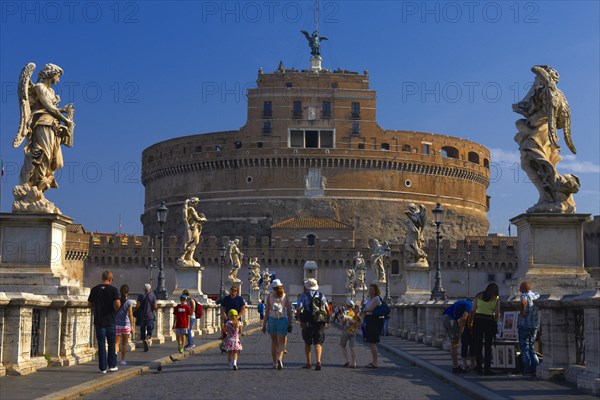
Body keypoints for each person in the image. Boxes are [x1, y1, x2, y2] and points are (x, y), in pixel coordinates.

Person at [88, 270, 120, 373]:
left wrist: (97, 307)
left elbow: (90, 304)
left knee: (101, 345)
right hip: (110, 321)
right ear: (110, 279)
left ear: (102, 278)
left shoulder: (95, 289)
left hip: (99, 321)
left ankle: (103, 368)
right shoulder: (114, 290)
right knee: (111, 344)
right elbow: (118, 304)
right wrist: (114, 311)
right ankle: (112, 365)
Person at [296, 278, 329, 370]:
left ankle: (309, 363)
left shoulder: (304, 295)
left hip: (308, 322)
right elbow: (327, 308)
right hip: (320, 321)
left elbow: (299, 308)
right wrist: (327, 321)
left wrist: (300, 320)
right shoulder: (322, 295)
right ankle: (318, 361)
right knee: (318, 342)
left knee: (307, 342)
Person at [470, 283, 500, 375]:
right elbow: (497, 313)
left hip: (478, 320)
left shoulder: (479, 296)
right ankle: (487, 369)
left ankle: (479, 368)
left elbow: (473, 309)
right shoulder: (496, 298)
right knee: (488, 346)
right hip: (489, 322)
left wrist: (471, 320)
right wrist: (495, 320)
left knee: (478, 345)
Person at [262, 279, 293, 370]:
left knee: (274, 343)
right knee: (281, 343)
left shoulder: (270, 296)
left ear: (273, 287)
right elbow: (288, 310)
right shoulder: (285, 296)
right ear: (281, 286)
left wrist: (264, 323)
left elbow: (267, 311)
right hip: (282, 320)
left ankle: (274, 362)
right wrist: (290, 322)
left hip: (272, 320)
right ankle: (280, 358)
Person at [442, 299, 473, 373]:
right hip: (451, 320)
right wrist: (460, 332)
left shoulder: (463, 302)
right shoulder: (470, 305)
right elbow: (463, 319)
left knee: (454, 343)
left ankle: (455, 366)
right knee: (455, 343)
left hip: (446, 318)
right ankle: (455, 366)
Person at [518, 281, 540, 375]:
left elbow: (523, 302)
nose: (519, 290)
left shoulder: (524, 295)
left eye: (520, 288)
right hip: (534, 325)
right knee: (532, 347)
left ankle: (527, 368)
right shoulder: (536, 295)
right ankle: (536, 367)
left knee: (524, 347)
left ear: (524, 288)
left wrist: (522, 312)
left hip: (524, 325)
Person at [362, 283, 383, 368]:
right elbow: (366, 309)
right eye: (369, 289)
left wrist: (365, 309)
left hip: (374, 321)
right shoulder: (370, 299)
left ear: (375, 291)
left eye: (371, 289)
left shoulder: (376, 298)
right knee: (371, 342)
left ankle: (375, 362)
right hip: (370, 320)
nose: (369, 291)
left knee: (373, 342)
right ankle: (374, 361)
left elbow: (370, 309)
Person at [115, 284, 134, 366]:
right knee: (124, 344)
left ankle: (114, 355)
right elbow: (130, 314)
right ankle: (123, 360)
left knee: (116, 343)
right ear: (128, 292)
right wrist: (132, 325)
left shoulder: (117, 301)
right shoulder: (129, 302)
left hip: (117, 324)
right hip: (126, 325)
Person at [135, 283, 158, 352]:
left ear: (144, 289)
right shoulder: (153, 296)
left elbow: (137, 306)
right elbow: (155, 306)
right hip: (150, 315)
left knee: (142, 330)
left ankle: (144, 339)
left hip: (142, 316)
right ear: (150, 289)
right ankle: (148, 337)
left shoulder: (141, 296)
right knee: (150, 328)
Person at [340, 299, 361, 369]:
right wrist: (355, 326)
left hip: (346, 331)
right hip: (353, 332)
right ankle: (354, 362)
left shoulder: (345, 312)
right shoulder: (355, 313)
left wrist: (342, 327)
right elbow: (361, 322)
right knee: (352, 347)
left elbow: (343, 320)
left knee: (343, 345)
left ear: (346, 305)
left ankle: (346, 361)